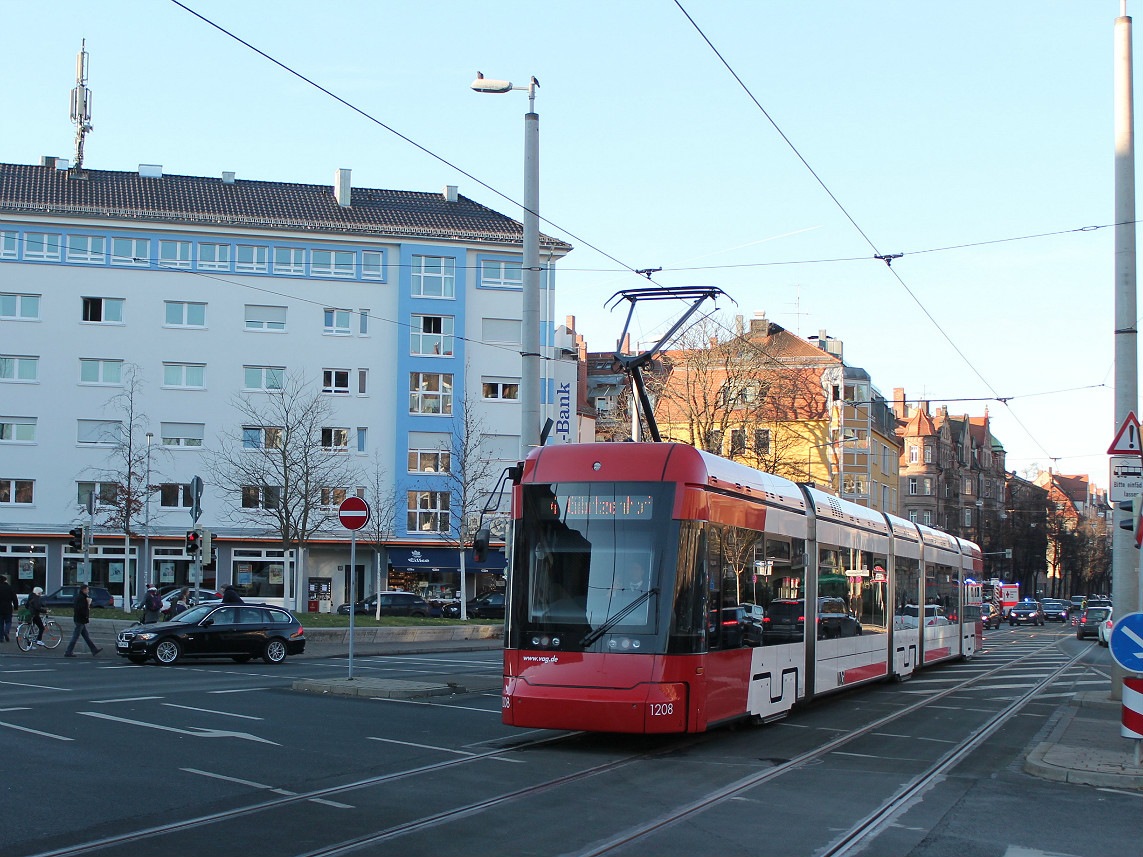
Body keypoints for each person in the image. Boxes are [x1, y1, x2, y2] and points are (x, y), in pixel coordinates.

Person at [64, 583, 102, 657]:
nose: (88, 591)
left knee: (85, 635)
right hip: (80, 619)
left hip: (80, 619)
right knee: (76, 636)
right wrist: (88, 605)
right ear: (83, 590)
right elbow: (81, 609)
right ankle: (68, 651)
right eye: (87, 589)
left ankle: (94, 649)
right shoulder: (81, 598)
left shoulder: (81, 597)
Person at [0, 573, 17, 643]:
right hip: (8, 607)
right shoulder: (9, 588)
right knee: (8, 621)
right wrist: (16, 607)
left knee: (0, 623)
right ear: (5, 580)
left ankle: (1, 638)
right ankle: (6, 631)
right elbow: (14, 598)